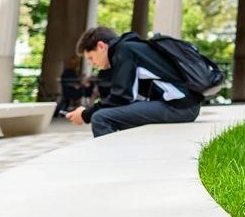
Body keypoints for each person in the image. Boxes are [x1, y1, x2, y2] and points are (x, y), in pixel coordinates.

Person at [64, 27, 202, 137]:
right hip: (184, 105)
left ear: (101, 46)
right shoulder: (131, 47)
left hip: (179, 107)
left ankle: (109, 165)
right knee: (118, 116)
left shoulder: (124, 50)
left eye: (91, 57)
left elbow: (121, 97)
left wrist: (85, 114)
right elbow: (128, 99)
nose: (91, 63)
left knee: (100, 118)